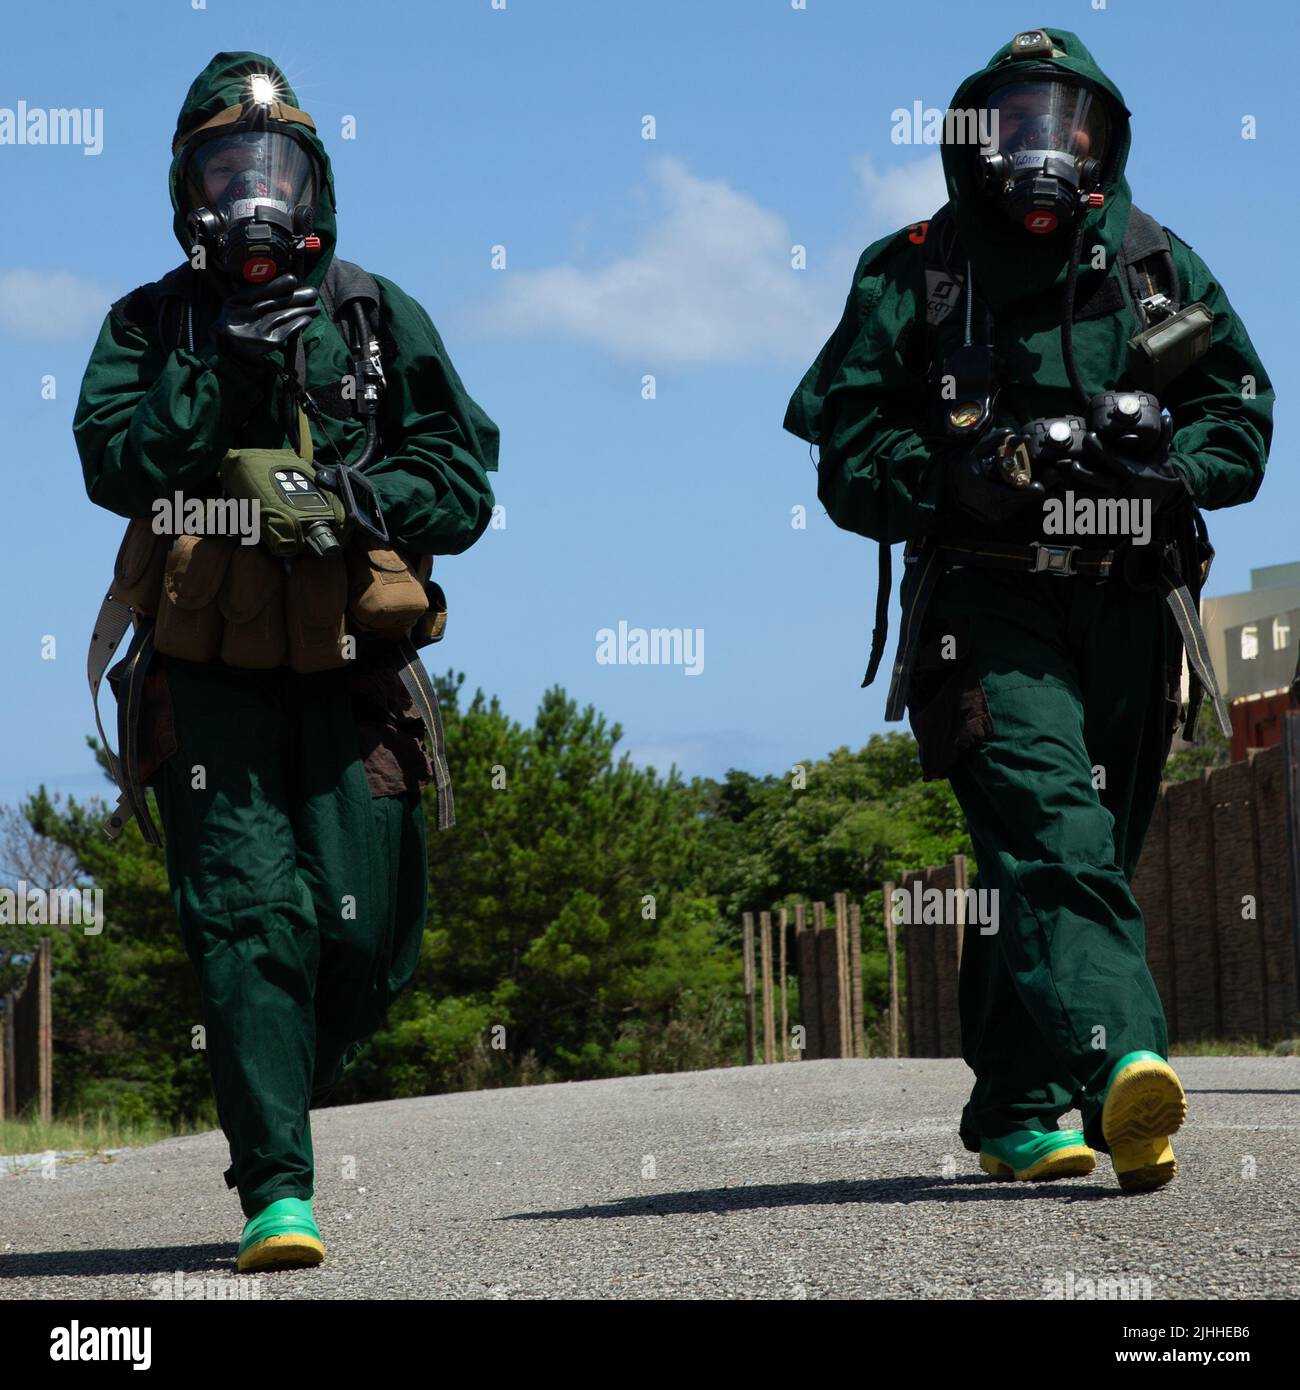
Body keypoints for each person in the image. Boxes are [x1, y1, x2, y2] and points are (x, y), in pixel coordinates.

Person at [786, 29, 1272, 1192]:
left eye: (1066, 122)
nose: (1041, 145)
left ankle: (1014, 1103)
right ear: (974, 136)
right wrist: (953, 472)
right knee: (1053, 833)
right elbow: (846, 452)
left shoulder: (1159, 267)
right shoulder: (911, 270)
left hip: (1129, 606)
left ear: (1104, 138)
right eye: (1014, 122)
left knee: (1067, 855)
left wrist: (1165, 466)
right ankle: (1126, 1070)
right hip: (983, 600)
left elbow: (1241, 417)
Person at [74, 52, 498, 1267]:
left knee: (366, 944)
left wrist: (363, 492)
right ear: (187, 184)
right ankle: (277, 1186)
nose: (252, 190)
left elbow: (465, 481)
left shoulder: (374, 313)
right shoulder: (150, 323)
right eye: (226, 165)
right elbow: (114, 461)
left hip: (354, 677)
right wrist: (221, 371)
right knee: (248, 921)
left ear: (314, 182)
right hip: (205, 686)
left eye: (275, 166)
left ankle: (272, 1073)